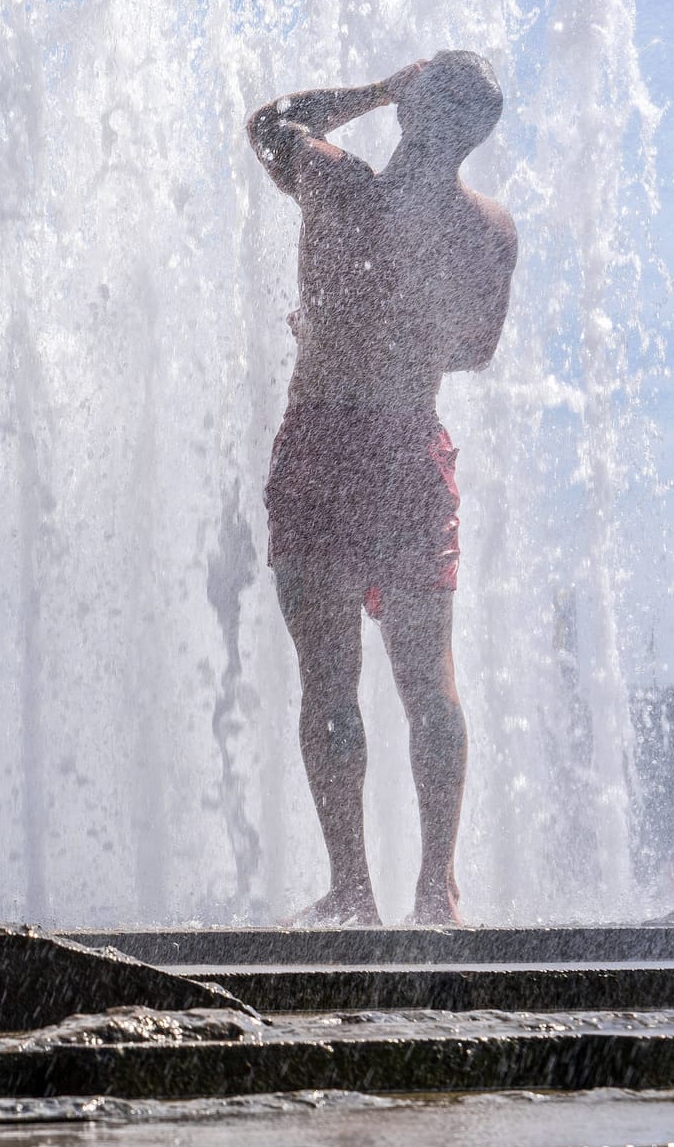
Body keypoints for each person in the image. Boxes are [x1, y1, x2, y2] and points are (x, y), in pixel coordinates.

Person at [245, 51, 517, 926]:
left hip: (325, 437)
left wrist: (374, 87)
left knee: (330, 684)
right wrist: (397, 341)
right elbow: (475, 351)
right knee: (427, 683)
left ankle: (353, 888)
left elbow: (268, 123)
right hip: (406, 446)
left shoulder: (335, 185)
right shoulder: (489, 230)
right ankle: (436, 891)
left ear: (410, 107)